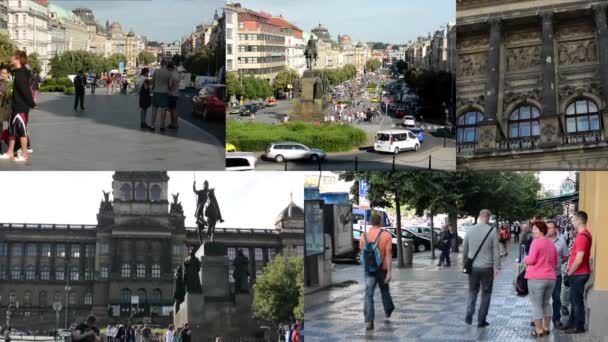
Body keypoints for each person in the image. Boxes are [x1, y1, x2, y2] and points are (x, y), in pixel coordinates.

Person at [463, 209, 500, 328]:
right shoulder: (492, 231)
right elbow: (496, 250)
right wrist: (497, 267)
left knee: (472, 291)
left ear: (479, 216)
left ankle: (469, 312)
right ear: (488, 218)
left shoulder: (470, 230)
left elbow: (465, 249)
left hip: (473, 268)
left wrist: (465, 263)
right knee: (486, 293)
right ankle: (481, 320)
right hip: (487, 268)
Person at [360, 212, 394, 330]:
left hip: (369, 271)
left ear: (370, 222)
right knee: (385, 291)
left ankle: (369, 321)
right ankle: (388, 309)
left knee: (368, 295)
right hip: (382, 269)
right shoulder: (386, 235)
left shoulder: (364, 235)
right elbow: (388, 254)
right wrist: (389, 272)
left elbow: (362, 253)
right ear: (380, 222)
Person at [560, 211, 593, 334]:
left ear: (579, 221)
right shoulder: (586, 235)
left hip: (579, 274)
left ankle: (579, 326)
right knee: (574, 300)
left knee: (576, 301)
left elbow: (579, 260)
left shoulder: (581, 237)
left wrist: (569, 273)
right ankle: (571, 323)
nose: (572, 222)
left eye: (574, 220)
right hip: (579, 273)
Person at [524, 220, 558, 337]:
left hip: (536, 278)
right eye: (532, 229)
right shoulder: (551, 244)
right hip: (551, 278)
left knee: (536, 305)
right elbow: (555, 262)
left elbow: (531, 260)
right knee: (546, 303)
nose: (533, 231)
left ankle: (538, 330)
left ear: (542, 230)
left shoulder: (536, 242)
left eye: (535, 229)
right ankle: (546, 327)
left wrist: (525, 258)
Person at [2, 50, 35, 162]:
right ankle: (10, 152)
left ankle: (24, 154)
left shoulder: (21, 73)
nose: (11, 58)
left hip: (21, 107)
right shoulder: (20, 71)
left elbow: (25, 91)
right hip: (15, 106)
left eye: (13, 56)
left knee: (21, 131)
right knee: (12, 130)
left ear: (17, 59)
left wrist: (32, 103)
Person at [547, 219, 570, 329]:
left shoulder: (562, 241)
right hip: (543, 275)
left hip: (556, 274)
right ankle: (539, 319)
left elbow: (566, 256)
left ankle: (556, 319)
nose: (548, 229)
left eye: (550, 227)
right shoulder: (542, 240)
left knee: (556, 298)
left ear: (556, 229)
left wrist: (558, 263)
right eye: (547, 227)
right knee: (542, 298)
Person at [150, 60, 172, 131]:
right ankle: (162, 126)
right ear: (166, 65)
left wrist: (153, 88)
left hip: (156, 92)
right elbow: (170, 85)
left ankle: (152, 125)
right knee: (163, 110)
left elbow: (152, 82)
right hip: (164, 93)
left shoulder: (156, 71)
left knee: (154, 109)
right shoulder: (169, 73)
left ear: (161, 64)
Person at [0, 66, 12, 153]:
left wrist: (2, 93)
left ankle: (13, 146)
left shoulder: (11, 83)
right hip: (0, 107)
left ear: (8, 74)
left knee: (11, 127)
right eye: (1, 73)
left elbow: (9, 96)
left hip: (8, 108)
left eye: (4, 73)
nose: (2, 74)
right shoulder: (1, 82)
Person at [167, 62, 180, 129]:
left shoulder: (172, 75)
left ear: (170, 68)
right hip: (176, 93)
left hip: (171, 94)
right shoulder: (177, 74)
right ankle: (173, 123)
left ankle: (175, 124)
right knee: (173, 109)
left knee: (173, 110)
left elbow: (170, 86)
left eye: (168, 69)